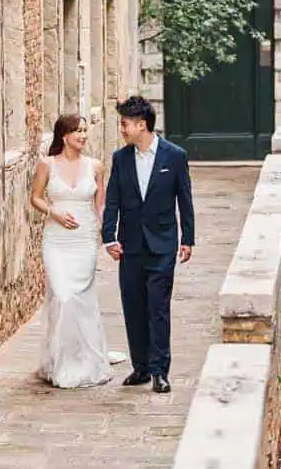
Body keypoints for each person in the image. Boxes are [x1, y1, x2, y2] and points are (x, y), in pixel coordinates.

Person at [101, 95, 194, 394]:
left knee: (158, 308)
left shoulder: (175, 156)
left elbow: (185, 200)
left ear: (142, 125)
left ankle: (159, 371)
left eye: (125, 124)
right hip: (130, 246)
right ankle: (140, 367)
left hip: (163, 244)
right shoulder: (121, 158)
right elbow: (112, 199)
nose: (122, 130)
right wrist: (109, 237)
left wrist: (188, 238)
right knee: (133, 307)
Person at [30, 113, 111, 390]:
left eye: (85, 130)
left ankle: (86, 359)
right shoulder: (47, 164)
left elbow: (100, 206)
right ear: (64, 136)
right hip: (56, 239)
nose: (83, 136)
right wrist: (54, 213)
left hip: (84, 239)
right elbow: (36, 197)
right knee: (62, 295)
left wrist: (108, 236)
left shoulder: (96, 166)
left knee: (81, 298)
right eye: (78, 131)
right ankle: (60, 360)